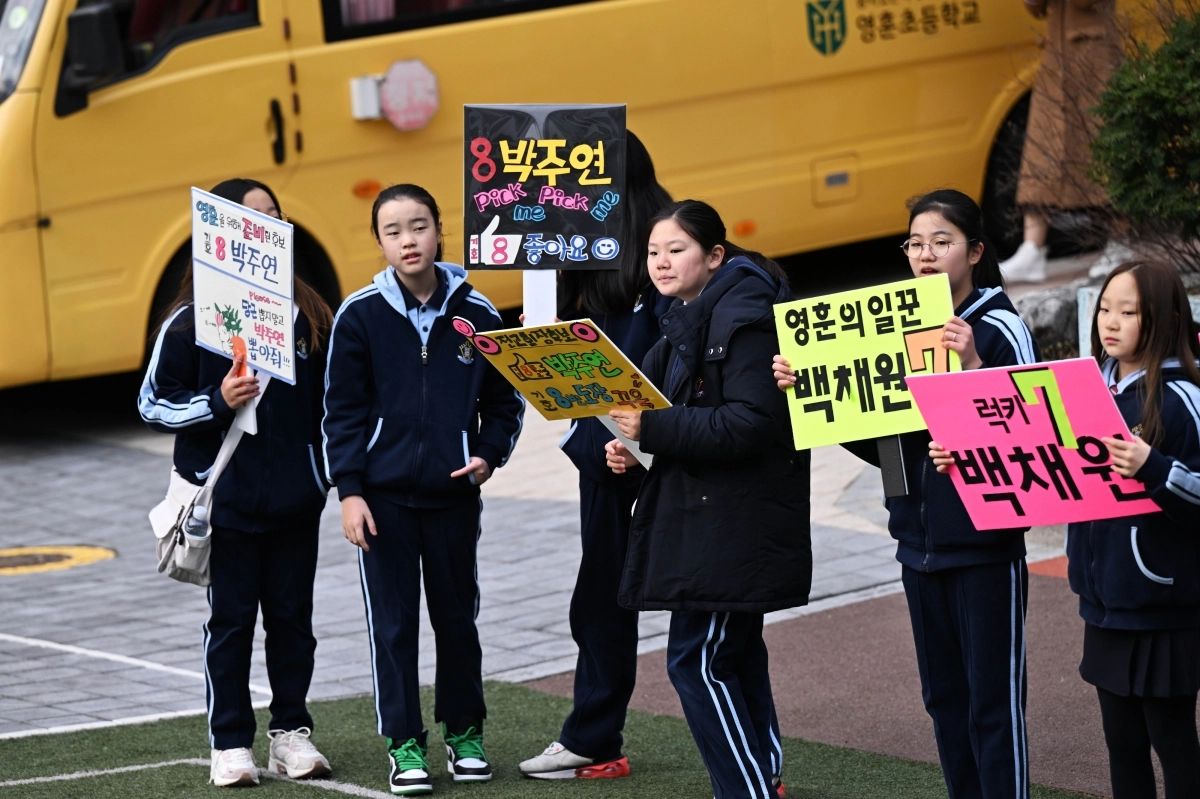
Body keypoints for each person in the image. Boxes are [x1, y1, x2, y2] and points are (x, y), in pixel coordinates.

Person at [775, 189, 1040, 798]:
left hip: (984, 545)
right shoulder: (900, 325)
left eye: (941, 242)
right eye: (915, 243)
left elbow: (1032, 436)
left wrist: (972, 366)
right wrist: (813, 395)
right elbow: (888, 445)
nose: (925, 255)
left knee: (992, 703)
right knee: (945, 700)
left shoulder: (998, 326)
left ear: (975, 251)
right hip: (918, 544)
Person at [321, 184, 524, 795]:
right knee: (393, 625)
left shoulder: (480, 313)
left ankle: (465, 733)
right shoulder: (358, 315)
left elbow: (504, 402)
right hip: (381, 503)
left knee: (457, 620)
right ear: (378, 241)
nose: (408, 240)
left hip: (454, 498)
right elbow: (341, 412)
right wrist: (349, 491)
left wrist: (488, 455)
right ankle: (404, 744)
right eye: (393, 231)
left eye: (418, 226)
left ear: (440, 230)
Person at [607, 199, 810, 799]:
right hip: (710, 521)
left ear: (715, 255)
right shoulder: (684, 317)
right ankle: (763, 776)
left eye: (677, 249)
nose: (662, 263)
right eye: (653, 252)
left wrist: (654, 433)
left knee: (696, 662)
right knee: (735, 655)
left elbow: (750, 424)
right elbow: (662, 417)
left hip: (733, 524)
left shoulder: (746, 317)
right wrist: (630, 452)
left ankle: (747, 789)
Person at [138, 178, 334, 787]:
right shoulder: (189, 322)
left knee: (293, 622)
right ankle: (229, 742)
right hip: (225, 505)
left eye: (273, 217)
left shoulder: (308, 316)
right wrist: (216, 401)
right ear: (216, 235)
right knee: (230, 624)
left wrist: (322, 476)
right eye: (247, 219)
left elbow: (336, 407)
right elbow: (153, 404)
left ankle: (290, 734)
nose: (263, 229)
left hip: (297, 502)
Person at [517, 131, 674, 781]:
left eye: (575, 179)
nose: (562, 192)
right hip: (606, 454)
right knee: (602, 596)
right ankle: (593, 733)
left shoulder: (665, 238)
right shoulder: (576, 241)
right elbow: (552, 335)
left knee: (708, 606)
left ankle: (753, 753)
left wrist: (648, 438)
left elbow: (683, 351)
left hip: (674, 450)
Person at [1058, 261, 1200, 797]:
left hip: (1163, 603)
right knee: (1121, 740)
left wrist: (1154, 467)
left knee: (1174, 741)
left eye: (1128, 311)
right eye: (1104, 308)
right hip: (1106, 600)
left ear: (1161, 317)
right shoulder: (1085, 387)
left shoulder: (1184, 399)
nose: (1109, 322)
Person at [1000, 0, 1127, 282]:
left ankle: (1120, 240)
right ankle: (1032, 249)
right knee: (1042, 149)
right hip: (1056, 60)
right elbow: (1035, 8)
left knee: (1102, 147)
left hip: (1094, 55)